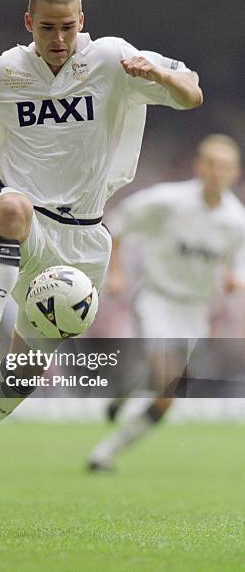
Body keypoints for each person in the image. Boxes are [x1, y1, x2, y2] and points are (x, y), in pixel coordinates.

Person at [0, 0, 202, 486]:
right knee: (8, 206)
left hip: (84, 239)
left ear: (83, 23)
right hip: (28, 220)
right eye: (48, 28)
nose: (58, 38)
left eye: (68, 27)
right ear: (30, 24)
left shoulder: (112, 59)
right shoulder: (3, 72)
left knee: (27, 369)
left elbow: (191, 96)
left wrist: (158, 74)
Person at [88, 134, 245, 472]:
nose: (218, 173)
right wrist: (114, 272)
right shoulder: (168, 201)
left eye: (226, 167)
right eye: (213, 164)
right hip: (157, 299)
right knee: (166, 375)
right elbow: (117, 225)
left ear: (235, 173)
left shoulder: (236, 220)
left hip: (195, 311)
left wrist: (236, 278)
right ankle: (120, 406)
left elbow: (239, 260)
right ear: (199, 166)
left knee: (166, 395)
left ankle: (105, 450)